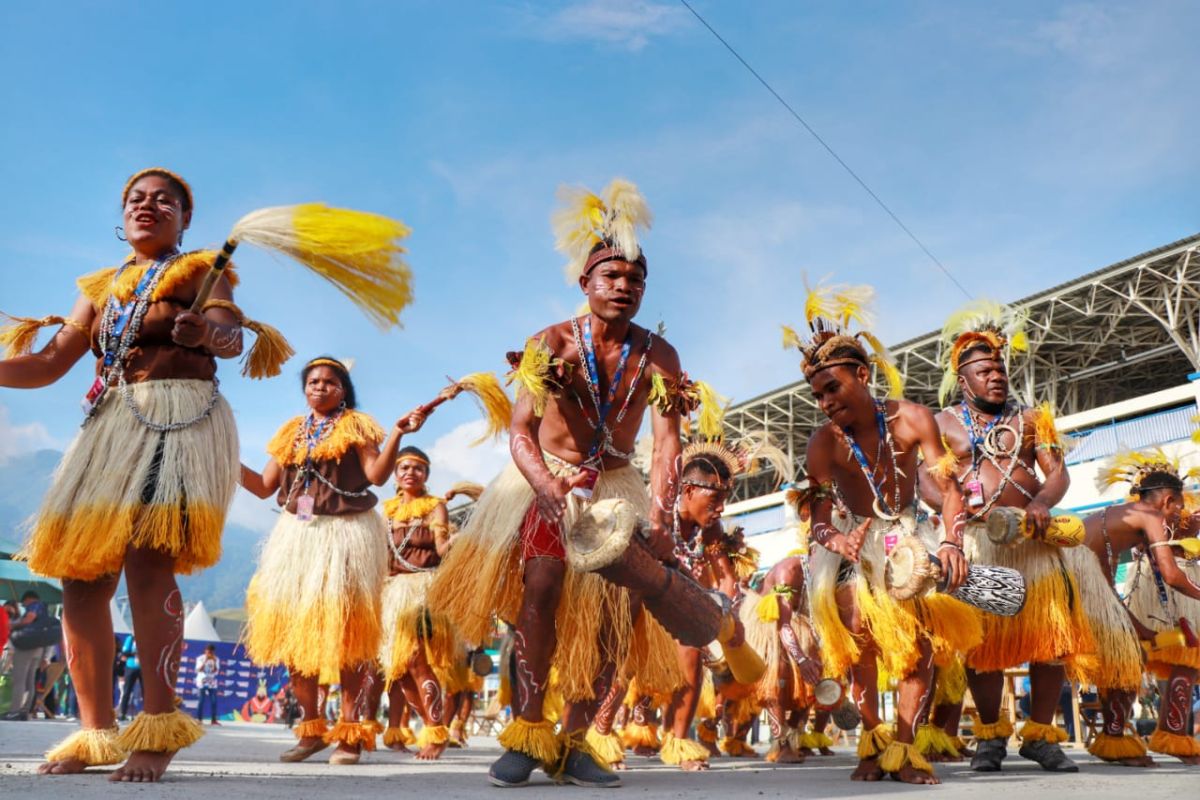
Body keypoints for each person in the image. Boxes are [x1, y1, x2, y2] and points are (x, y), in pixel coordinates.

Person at [427, 179, 688, 789]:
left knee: (608, 615)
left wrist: (664, 520)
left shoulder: (661, 355)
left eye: (636, 280)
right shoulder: (551, 341)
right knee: (540, 590)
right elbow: (520, 428)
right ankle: (528, 731)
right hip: (549, 482)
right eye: (612, 277)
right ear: (586, 284)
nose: (624, 287)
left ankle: (574, 741)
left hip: (617, 485)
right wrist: (546, 484)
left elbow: (669, 441)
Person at [0, 168, 253, 782]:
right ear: (122, 214)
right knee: (80, 577)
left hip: (178, 418)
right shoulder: (99, 286)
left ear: (184, 219)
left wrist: (207, 332)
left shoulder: (201, 271)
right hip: (110, 427)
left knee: (147, 560)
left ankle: (159, 726)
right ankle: (93, 734)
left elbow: (232, 335)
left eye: (165, 200)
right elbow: (53, 361)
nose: (149, 206)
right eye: (137, 199)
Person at [787, 282, 980, 786]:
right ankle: (871, 746)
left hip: (908, 534)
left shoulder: (913, 419)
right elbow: (819, 516)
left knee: (916, 650)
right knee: (861, 649)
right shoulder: (822, 445)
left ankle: (905, 748)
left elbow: (951, 488)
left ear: (863, 375)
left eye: (833, 388)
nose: (825, 402)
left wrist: (953, 542)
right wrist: (837, 542)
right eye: (818, 395)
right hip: (853, 542)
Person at [924, 300, 1086, 772]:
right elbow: (927, 481)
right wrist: (951, 507)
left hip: (1034, 542)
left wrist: (1040, 503)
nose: (996, 376)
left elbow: (1059, 474)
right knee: (982, 642)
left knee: (1050, 637)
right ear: (962, 378)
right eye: (983, 370)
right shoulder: (941, 425)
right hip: (977, 541)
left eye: (999, 368)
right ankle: (992, 736)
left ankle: (1039, 735)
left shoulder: (1034, 419)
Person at [240, 355, 426, 766]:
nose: (319, 387)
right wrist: (222, 456)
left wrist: (397, 431)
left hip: (346, 535)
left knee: (348, 635)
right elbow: (262, 487)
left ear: (343, 390)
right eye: (312, 382)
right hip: (298, 536)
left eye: (328, 382)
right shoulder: (291, 432)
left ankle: (349, 734)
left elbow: (377, 475)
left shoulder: (356, 426)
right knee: (293, 635)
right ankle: (311, 729)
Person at [1105, 451, 1200, 765]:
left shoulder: (1177, 511)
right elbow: (1164, 564)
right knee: (1133, 658)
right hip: (1152, 580)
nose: (1180, 510)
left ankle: (1172, 736)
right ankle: (1114, 738)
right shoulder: (1142, 514)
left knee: (1186, 659)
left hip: (1179, 581)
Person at [372, 445, 457, 759]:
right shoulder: (388, 510)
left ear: (426, 475)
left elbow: (442, 548)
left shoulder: (435, 507)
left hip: (422, 590)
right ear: (395, 474)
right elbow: (382, 554)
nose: (410, 473)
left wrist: (459, 541)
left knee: (417, 661)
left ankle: (436, 733)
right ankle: (425, 728)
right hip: (391, 591)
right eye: (404, 467)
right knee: (399, 669)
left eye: (417, 468)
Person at [741, 552, 825, 764]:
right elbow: (783, 624)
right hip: (765, 619)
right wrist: (801, 659)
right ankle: (780, 743)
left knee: (816, 673)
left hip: (797, 620)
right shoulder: (790, 572)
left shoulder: (827, 573)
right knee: (777, 671)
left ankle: (795, 737)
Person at [4, 591, 49, 720]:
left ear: (28, 599)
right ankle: (25, 711)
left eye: (24, 604)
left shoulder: (34, 606)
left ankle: (14, 711)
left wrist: (12, 625)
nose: (23, 606)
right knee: (30, 680)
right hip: (38, 647)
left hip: (27, 646)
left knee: (19, 679)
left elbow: (29, 619)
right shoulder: (44, 609)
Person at [195, 645, 221, 726]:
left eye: (212, 652)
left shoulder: (216, 659)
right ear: (205, 651)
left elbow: (215, 671)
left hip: (211, 681)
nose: (210, 653)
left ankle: (213, 720)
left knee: (214, 701)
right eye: (208, 651)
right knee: (201, 701)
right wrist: (205, 661)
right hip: (202, 681)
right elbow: (198, 670)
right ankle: (199, 719)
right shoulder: (200, 658)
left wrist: (214, 662)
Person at [117, 636, 141, 721]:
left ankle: (146, 714)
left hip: (143, 668)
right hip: (130, 667)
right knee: (126, 691)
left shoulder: (146, 637)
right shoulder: (130, 638)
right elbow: (124, 653)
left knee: (145, 692)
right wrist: (135, 653)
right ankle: (122, 713)